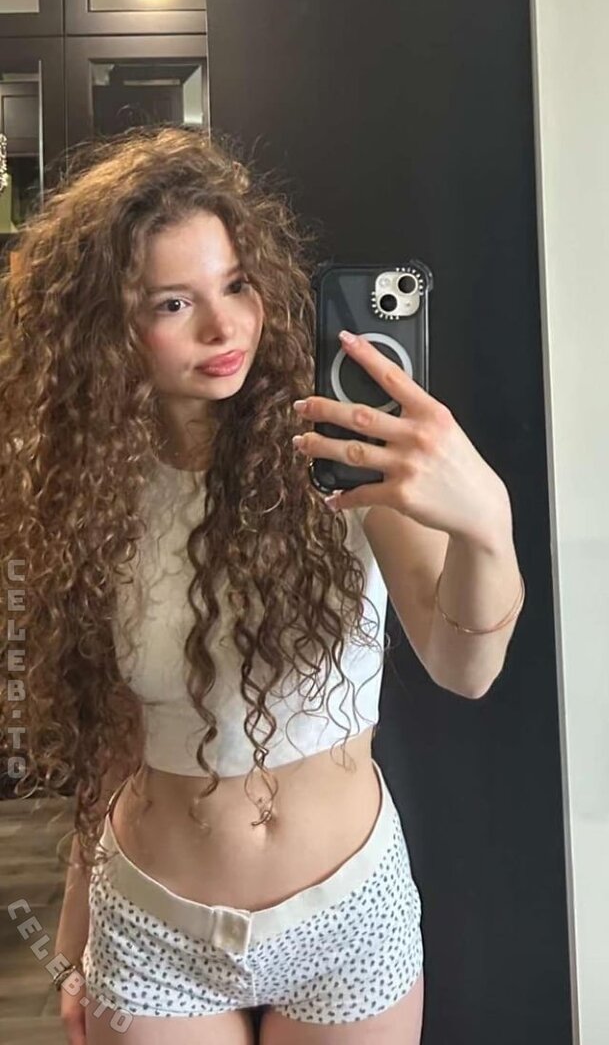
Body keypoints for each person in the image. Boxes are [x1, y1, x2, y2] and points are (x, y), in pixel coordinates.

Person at [0, 125, 523, 1044]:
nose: (223, 327)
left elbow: (464, 666)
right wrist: (74, 937)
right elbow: (111, 740)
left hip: (346, 918)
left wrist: (486, 522)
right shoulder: (90, 495)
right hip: (152, 923)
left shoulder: (343, 450)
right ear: (105, 325)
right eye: (174, 303)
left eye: (236, 284)